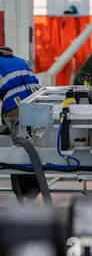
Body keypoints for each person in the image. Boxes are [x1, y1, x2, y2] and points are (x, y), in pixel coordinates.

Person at [0, 46, 41, 203]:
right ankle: (34, 189)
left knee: (20, 151)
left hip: (15, 109)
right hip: (38, 104)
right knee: (33, 147)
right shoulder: (22, 61)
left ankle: (25, 194)